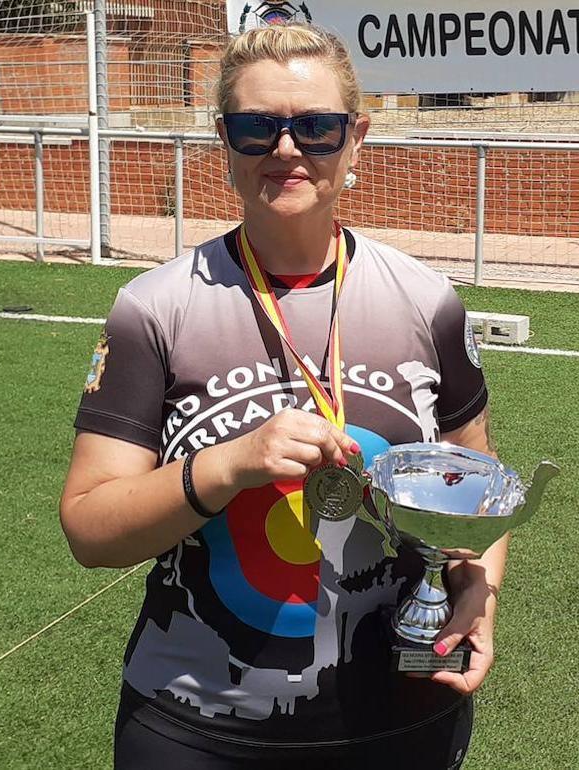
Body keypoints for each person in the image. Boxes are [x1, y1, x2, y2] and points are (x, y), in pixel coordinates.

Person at [59, 23, 502, 769]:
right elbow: (89, 529)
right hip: (197, 723)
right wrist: (227, 465)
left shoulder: (426, 301)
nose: (287, 149)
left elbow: (477, 485)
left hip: (401, 714)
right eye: (257, 128)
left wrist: (474, 589)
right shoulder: (154, 308)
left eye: (316, 127)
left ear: (355, 139)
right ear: (223, 142)